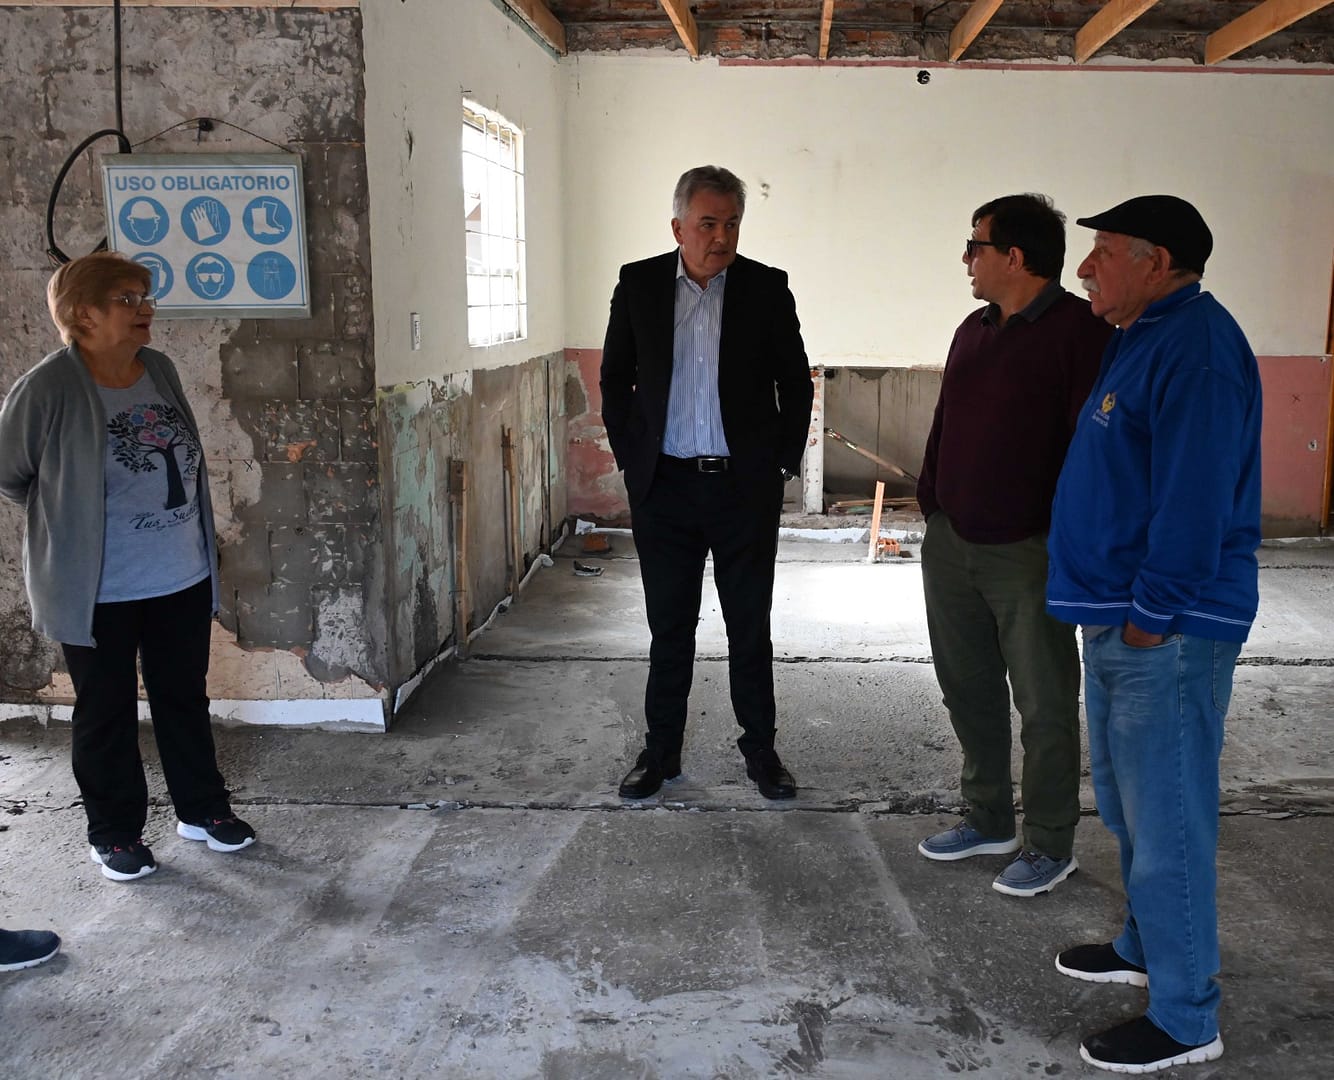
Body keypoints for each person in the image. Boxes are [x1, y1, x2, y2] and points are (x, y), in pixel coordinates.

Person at [1047, 196, 1260, 1074]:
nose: (1086, 268)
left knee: (1168, 817)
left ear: (1157, 259)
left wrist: (1150, 615)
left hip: (1164, 631)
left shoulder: (1197, 350)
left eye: (1102, 253)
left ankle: (1185, 1015)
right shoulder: (1146, 333)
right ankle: (1144, 944)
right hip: (1125, 620)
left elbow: (1195, 499)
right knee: (1137, 808)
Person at [0, 252, 256, 883]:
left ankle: (203, 810)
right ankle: (113, 831)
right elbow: (11, 474)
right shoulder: (49, 386)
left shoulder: (158, 369)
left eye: (145, 295)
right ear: (81, 313)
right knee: (105, 710)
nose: (146, 309)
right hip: (98, 588)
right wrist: (70, 519)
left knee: (183, 698)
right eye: (127, 298)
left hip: (181, 575)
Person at [915, 194, 1111, 896]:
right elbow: (946, 422)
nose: (967, 258)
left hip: (1027, 553)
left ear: (1015, 257)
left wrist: (1061, 540)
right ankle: (988, 817)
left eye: (976, 245)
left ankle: (1050, 841)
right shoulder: (973, 328)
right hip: (954, 544)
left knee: (1045, 704)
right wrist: (932, 503)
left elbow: (1090, 451)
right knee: (966, 691)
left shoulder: (1078, 334)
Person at [600, 166, 814, 800]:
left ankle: (761, 752)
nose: (720, 237)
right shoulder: (638, 285)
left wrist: (779, 464)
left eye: (731, 224)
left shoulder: (765, 288)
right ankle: (660, 752)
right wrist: (632, 461)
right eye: (707, 224)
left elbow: (795, 382)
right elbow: (615, 381)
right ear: (678, 227)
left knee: (750, 627)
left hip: (741, 491)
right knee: (671, 629)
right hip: (665, 489)